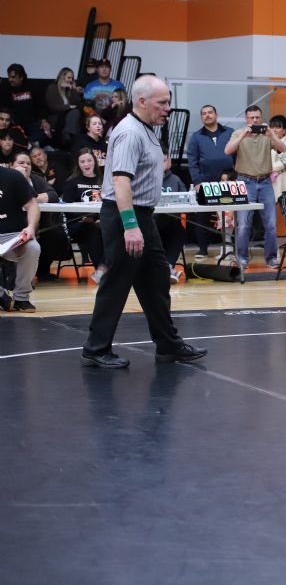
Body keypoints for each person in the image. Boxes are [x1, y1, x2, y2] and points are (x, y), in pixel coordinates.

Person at [81, 75, 206, 369]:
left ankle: (168, 345)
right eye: (162, 103)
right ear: (141, 101)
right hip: (125, 215)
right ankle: (96, 349)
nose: (168, 108)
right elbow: (120, 181)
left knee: (157, 279)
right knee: (117, 281)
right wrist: (130, 225)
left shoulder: (146, 130)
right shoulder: (129, 132)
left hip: (142, 216)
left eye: (168, 102)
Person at [224, 105, 286, 269]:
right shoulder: (238, 133)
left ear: (261, 117)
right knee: (244, 224)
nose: (255, 120)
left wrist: (272, 134)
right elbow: (227, 151)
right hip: (244, 182)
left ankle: (271, 258)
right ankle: (242, 258)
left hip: (265, 182)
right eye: (251, 118)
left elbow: (283, 149)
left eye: (257, 117)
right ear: (246, 119)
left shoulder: (267, 134)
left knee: (271, 224)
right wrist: (243, 135)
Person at [185, 104, 235, 260]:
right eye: (204, 113)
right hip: (205, 183)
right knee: (202, 217)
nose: (207, 115)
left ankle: (228, 248)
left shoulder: (230, 133)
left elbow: (238, 156)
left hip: (228, 181)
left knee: (228, 215)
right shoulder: (196, 137)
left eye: (210, 112)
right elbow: (192, 161)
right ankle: (202, 249)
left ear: (216, 114)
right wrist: (197, 182)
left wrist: (235, 177)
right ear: (201, 117)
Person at [10, 151, 67, 283]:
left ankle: (42, 271)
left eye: (28, 163)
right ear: (11, 165)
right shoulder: (6, 179)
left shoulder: (36, 179)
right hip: (11, 224)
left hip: (38, 224)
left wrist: (32, 199)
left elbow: (52, 195)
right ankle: (14, 275)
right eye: (21, 163)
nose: (25, 166)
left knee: (55, 234)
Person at [62, 148, 107, 283]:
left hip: (102, 222)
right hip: (78, 224)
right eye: (82, 161)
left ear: (94, 161)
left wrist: (97, 219)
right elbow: (67, 209)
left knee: (116, 230)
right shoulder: (71, 182)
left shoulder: (104, 180)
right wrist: (87, 219)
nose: (86, 164)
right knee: (91, 229)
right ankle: (101, 271)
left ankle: (102, 269)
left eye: (89, 160)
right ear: (78, 163)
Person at [0, 163, 40, 313]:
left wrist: (31, 227)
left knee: (33, 248)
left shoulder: (12, 176)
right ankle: (1, 296)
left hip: (13, 236)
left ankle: (21, 298)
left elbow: (32, 205)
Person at [155, 149, 187, 284]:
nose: (162, 164)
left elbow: (186, 198)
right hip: (152, 221)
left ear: (169, 162)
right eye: (159, 161)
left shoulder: (176, 180)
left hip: (172, 221)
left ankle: (169, 266)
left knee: (180, 229)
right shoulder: (147, 179)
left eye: (164, 160)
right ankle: (159, 269)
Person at [0, 64, 51, 147]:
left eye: (13, 77)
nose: (10, 79)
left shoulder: (33, 86)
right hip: (15, 124)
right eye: (9, 77)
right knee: (12, 137)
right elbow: (5, 108)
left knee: (44, 134)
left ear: (21, 77)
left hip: (32, 122)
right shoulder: (5, 88)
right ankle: (30, 145)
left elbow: (41, 105)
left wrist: (44, 120)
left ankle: (28, 145)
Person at [44, 67, 83, 147]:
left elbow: (78, 104)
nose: (71, 80)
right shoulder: (52, 87)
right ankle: (68, 136)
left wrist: (72, 89)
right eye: (69, 77)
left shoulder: (69, 90)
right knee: (74, 112)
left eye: (72, 78)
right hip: (57, 117)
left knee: (76, 112)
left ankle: (68, 135)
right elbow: (52, 106)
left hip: (69, 119)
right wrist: (68, 107)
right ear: (62, 76)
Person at [269, 114, 286, 197]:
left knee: (283, 202)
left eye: (277, 127)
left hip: (284, 181)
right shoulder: (266, 142)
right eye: (272, 127)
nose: (274, 130)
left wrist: (266, 169)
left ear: (284, 131)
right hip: (268, 182)